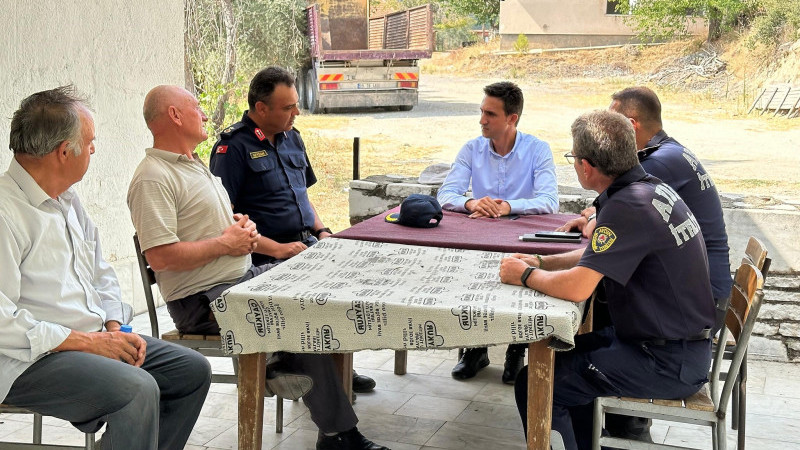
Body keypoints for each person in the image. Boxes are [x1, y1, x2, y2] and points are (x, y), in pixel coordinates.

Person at [127, 85, 387, 450]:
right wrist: (225, 243)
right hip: (204, 302)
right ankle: (311, 404)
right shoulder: (153, 176)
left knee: (318, 283)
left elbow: (220, 232)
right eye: (196, 107)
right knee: (298, 308)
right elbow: (161, 257)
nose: (204, 113)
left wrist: (244, 232)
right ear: (173, 115)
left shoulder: (191, 165)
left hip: (239, 281)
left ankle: (288, 371)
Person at [0, 86, 211, 450]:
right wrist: (89, 343)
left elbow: (101, 275)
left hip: (90, 339)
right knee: (136, 390)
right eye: (90, 141)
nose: (94, 149)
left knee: (191, 371)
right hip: (27, 359)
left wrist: (114, 328)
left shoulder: (65, 199)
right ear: (64, 151)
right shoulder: (6, 211)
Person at [499, 110, 715, 450]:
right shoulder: (649, 189)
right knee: (556, 357)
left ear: (586, 167)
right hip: (669, 345)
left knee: (538, 382)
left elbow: (578, 286)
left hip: (667, 362)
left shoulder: (627, 206)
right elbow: (597, 257)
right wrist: (544, 261)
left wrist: (525, 275)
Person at [208, 66, 375, 394]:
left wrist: (323, 230)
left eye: (296, 105)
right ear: (261, 109)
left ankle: (339, 364)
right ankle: (312, 369)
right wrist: (278, 249)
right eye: (288, 108)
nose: (297, 112)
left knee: (351, 274)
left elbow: (302, 196)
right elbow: (225, 218)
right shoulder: (233, 148)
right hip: (265, 257)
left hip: (305, 243)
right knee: (318, 292)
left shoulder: (292, 138)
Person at [436, 81, 559, 384]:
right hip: (480, 236)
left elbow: (549, 200)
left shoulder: (537, 149)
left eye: (490, 114)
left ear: (512, 118)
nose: (482, 120)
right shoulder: (471, 148)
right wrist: (472, 201)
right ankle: (475, 348)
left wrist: (507, 206)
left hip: (521, 237)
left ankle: (517, 350)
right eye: (482, 112)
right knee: (466, 273)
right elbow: (445, 194)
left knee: (522, 274)